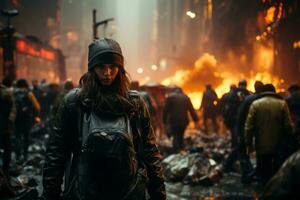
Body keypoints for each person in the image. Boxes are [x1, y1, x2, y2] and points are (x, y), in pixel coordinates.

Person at [42, 38, 166, 200]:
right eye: (101, 67)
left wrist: (158, 194)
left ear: (120, 69)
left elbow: (150, 152)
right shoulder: (74, 102)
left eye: (113, 67)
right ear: (92, 68)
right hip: (92, 190)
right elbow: (57, 153)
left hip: (116, 190)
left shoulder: (134, 103)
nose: (107, 73)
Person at [245, 84, 294, 186]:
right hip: (278, 145)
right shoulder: (282, 104)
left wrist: (249, 144)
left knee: (263, 170)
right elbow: (288, 126)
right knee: (277, 169)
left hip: (261, 145)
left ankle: (264, 190)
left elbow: (249, 127)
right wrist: (290, 140)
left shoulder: (256, 104)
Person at [236, 81, 264, 183]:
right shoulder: (265, 99)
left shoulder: (248, 99)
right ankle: (260, 175)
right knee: (262, 153)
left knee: (243, 152)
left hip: (248, 129)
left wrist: (239, 132)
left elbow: (240, 116)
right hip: (262, 130)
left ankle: (247, 175)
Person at [163, 87, 199, 152]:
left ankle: (176, 151)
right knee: (181, 135)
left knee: (175, 135)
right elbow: (191, 110)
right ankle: (181, 149)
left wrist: (164, 120)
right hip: (183, 121)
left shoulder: (170, 97)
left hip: (173, 121)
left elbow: (165, 110)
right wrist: (196, 119)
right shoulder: (186, 97)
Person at [13, 79, 40, 161]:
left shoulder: (13, 93)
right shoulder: (29, 94)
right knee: (26, 137)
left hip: (17, 119)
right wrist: (36, 116)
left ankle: (17, 156)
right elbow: (37, 106)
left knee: (17, 136)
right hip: (27, 119)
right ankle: (25, 155)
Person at [0, 77, 15, 175]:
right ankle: (5, 170)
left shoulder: (6, 92)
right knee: (7, 148)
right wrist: (10, 122)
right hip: (4, 126)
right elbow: (12, 110)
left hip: (4, 125)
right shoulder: (6, 93)